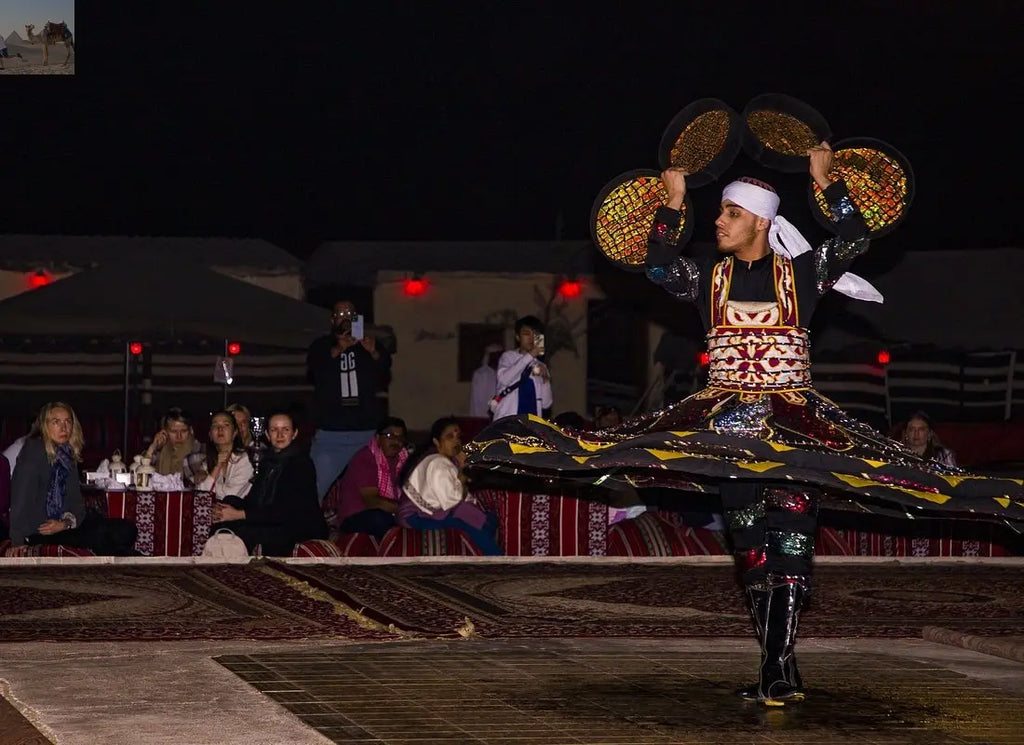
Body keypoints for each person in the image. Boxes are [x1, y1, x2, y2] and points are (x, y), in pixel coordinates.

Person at [466, 144, 1024, 706]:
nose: (718, 221)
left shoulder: (802, 275)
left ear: (759, 220)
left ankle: (777, 667)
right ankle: (778, 665)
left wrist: (826, 182)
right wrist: (674, 201)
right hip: (728, 431)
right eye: (719, 213)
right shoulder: (709, 277)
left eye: (728, 213)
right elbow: (657, 261)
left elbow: (855, 240)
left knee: (789, 543)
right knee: (751, 549)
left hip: (796, 430)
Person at [9, 402, 137, 555]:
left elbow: (77, 504)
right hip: (40, 531)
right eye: (56, 422)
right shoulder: (34, 452)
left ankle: (122, 558)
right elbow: (20, 497)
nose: (64, 428)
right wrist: (17, 540)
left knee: (126, 529)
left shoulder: (66, 456)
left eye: (68, 422)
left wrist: (64, 524)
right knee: (104, 536)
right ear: (44, 426)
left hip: (63, 526)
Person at [307, 300, 393, 502]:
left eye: (350, 313)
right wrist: (338, 348)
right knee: (312, 490)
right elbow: (315, 370)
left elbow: (385, 370)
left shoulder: (368, 343)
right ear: (333, 319)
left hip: (365, 432)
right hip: (331, 434)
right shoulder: (321, 345)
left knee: (373, 491)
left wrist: (373, 352)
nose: (345, 316)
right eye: (341, 313)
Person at [211, 410, 328, 556]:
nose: (279, 435)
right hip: (270, 518)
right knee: (225, 512)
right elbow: (254, 500)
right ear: (267, 434)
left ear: (294, 433)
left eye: (285, 430)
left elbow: (286, 511)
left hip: (296, 525)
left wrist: (239, 514)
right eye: (274, 430)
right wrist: (227, 507)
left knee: (242, 531)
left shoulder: (300, 464)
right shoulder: (268, 461)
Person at [398, 416, 502, 555]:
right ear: (437, 442)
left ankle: (487, 550)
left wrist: (462, 466)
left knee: (486, 518)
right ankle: (496, 557)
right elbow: (451, 501)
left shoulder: (447, 461)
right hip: (415, 517)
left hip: (430, 513)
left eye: (458, 437)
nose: (456, 441)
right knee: (467, 520)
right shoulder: (437, 462)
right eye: (449, 437)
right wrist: (463, 478)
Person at [332, 417, 409, 539]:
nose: (396, 441)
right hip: (356, 517)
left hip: (390, 513)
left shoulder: (404, 459)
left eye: (400, 437)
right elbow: (372, 501)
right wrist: (406, 510)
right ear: (378, 438)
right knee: (380, 519)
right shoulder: (365, 458)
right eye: (389, 435)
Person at [491, 316, 552, 420]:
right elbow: (504, 379)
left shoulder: (541, 365)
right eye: (527, 334)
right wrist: (531, 355)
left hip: (532, 424)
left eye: (535, 335)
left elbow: (546, 404)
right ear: (518, 337)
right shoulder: (508, 357)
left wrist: (545, 379)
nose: (531, 338)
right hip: (508, 420)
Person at [191, 411, 253, 498]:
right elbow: (200, 493)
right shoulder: (208, 461)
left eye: (226, 425)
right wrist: (217, 467)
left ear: (234, 432)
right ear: (210, 434)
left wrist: (208, 479)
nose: (220, 429)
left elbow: (231, 494)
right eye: (215, 425)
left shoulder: (245, 459)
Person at [145, 407, 204, 476]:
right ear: (165, 432)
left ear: (191, 430)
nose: (179, 436)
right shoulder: (161, 450)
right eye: (174, 431)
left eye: (184, 431)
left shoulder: (198, 449)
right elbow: (141, 474)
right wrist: (152, 447)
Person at [469, 343, 504, 417]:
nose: (497, 358)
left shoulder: (504, 372)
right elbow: (477, 399)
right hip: (483, 414)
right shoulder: (481, 374)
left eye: (499, 355)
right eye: (494, 355)